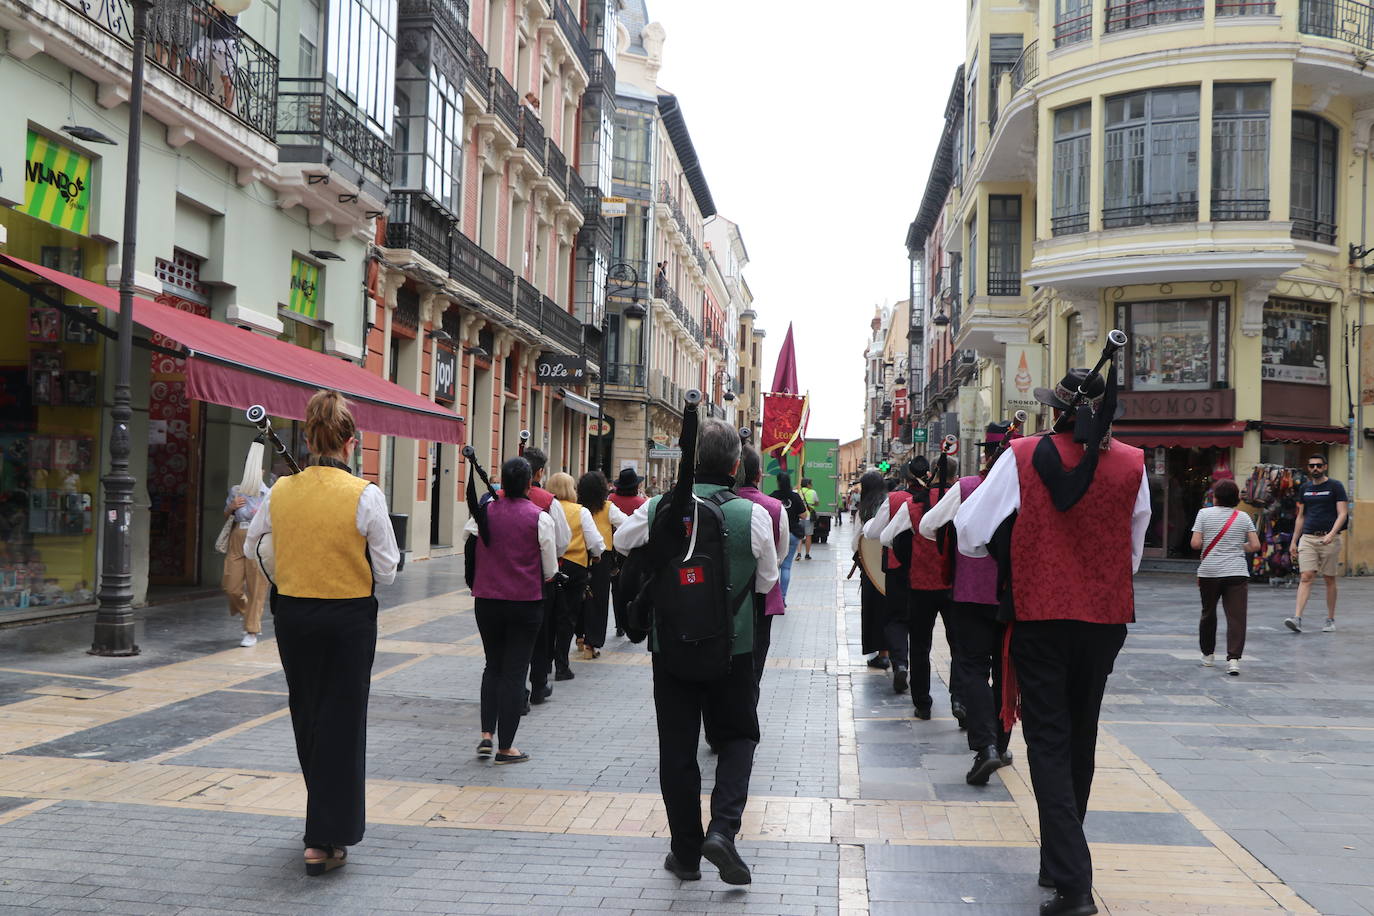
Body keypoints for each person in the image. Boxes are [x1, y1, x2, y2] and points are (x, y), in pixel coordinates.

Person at [955, 367, 1150, 916]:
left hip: (1042, 615)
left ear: (1060, 413)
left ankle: (1074, 883)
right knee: (1081, 732)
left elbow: (969, 533)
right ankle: (1058, 860)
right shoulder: (1134, 464)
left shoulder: (1021, 456)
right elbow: (1132, 551)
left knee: (1048, 741)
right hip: (1105, 618)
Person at [616, 418, 780, 887]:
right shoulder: (755, 516)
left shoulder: (660, 507)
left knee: (678, 750)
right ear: (735, 465)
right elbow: (767, 583)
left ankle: (685, 854)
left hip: (671, 649)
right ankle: (723, 831)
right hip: (736, 648)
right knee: (738, 737)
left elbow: (622, 542)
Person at [245, 389, 400, 877]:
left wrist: (294, 567)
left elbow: (254, 548)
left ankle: (320, 825)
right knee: (344, 721)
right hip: (349, 616)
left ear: (309, 438)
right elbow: (388, 568)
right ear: (351, 441)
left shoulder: (281, 491)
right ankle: (325, 836)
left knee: (307, 713)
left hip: (293, 615)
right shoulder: (365, 494)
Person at [918, 422, 1018, 785]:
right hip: (1013, 595)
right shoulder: (1029, 489)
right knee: (1006, 670)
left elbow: (928, 525)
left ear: (986, 455)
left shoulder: (967, 488)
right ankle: (1002, 745)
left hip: (970, 593)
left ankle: (986, 747)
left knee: (974, 668)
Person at [467, 456, 558, 764]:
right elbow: (550, 568)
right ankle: (506, 747)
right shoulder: (539, 517)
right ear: (530, 483)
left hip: (487, 601)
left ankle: (485, 735)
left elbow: (470, 543)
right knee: (514, 673)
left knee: (492, 666)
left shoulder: (484, 512)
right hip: (524, 603)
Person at [878, 455, 959, 723]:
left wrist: (911, 554)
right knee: (959, 646)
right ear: (954, 476)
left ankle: (923, 703)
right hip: (954, 584)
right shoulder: (965, 499)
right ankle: (960, 700)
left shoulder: (914, 504)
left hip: (921, 583)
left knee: (921, 646)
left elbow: (887, 537)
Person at [1190, 479, 1260, 676]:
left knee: (1208, 613)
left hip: (1209, 572)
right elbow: (1254, 545)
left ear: (1216, 497)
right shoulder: (1243, 516)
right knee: (1236, 617)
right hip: (1236, 572)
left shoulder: (1204, 513)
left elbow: (1195, 544)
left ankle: (1208, 655)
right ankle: (1234, 660)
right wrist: (1238, 546)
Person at [521, 448, 572, 707]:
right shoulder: (548, 502)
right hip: (541, 579)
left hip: (502, 583)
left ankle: (517, 690)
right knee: (541, 636)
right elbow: (561, 542)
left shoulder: (494, 497)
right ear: (540, 472)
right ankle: (539, 686)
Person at [736, 447, 790, 686]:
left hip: (717, 595)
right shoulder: (776, 507)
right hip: (761, 596)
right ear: (758, 475)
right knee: (755, 656)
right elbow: (781, 554)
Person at [545, 472, 605, 681]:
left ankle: (543, 664)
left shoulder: (544, 508)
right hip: (575, 568)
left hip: (549, 566)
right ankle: (562, 666)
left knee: (548, 617)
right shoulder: (580, 511)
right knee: (567, 618)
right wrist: (596, 556)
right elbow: (596, 543)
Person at [864, 460, 916, 696]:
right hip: (935, 574)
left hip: (897, 569)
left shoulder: (895, 500)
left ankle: (901, 664)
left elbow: (876, 533)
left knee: (896, 619)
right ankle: (947, 696)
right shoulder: (946, 495)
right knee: (923, 629)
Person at [1284, 453, 1348, 633]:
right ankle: (1297, 618)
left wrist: (1332, 534)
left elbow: (1342, 513)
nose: (1315, 469)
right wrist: (1294, 541)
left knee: (1329, 578)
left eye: (1319, 465)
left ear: (1325, 467)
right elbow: (1301, 516)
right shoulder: (1304, 488)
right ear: (1308, 468)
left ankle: (1330, 619)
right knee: (1306, 576)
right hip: (1308, 538)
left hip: (1329, 539)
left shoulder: (1335, 486)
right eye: (1312, 466)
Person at [221, 444, 270, 648]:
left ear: (262, 472)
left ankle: (251, 630)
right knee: (230, 585)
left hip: (257, 539)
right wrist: (231, 507)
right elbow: (226, 515)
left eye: (256, 469)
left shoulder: (268, 493)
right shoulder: (236, 490)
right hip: (237, 537)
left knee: (257, 586)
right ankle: (248, 610)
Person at [575, 471, 625, 659]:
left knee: (579, 597)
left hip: (578, 556)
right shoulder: (608, 508)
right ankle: (591, 643)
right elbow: (626, 525)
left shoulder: (576, 507)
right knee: (598, 600)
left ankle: (579, 635)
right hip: (602, 558)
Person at [853, 470, 889, 671]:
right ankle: (891, 652)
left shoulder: (863, 509)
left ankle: (879, 654)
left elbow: (854, 542)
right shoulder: (891, 504)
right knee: (890, 609)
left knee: (873, 609)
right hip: (891, 565)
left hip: (869, 566)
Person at [609, 468, 647, 638]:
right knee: (633, 587)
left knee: (616, 589)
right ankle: (632, 617)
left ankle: (619, 624)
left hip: (612, 550)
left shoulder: (611, 499)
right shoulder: (640, 503)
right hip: (633, 552)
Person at [769, 472, 806, 598]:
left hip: (777, 535)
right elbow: (804, 515)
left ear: (778, 482)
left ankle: (773, 598)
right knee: (786, 567)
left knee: (774, 566)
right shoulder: (795, 497)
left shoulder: (773, 496)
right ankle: (782, 597)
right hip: (793, 534)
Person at [797, 477, 819, 559]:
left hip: (798, 517)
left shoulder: (797, 491)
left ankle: (799, 553)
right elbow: (817, 503)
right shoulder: (812, 492)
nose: (811, 485)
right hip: (808, 517)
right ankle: (807, 554)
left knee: (799, 536)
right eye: (811, 484)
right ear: (808, 484)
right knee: (808, 536)